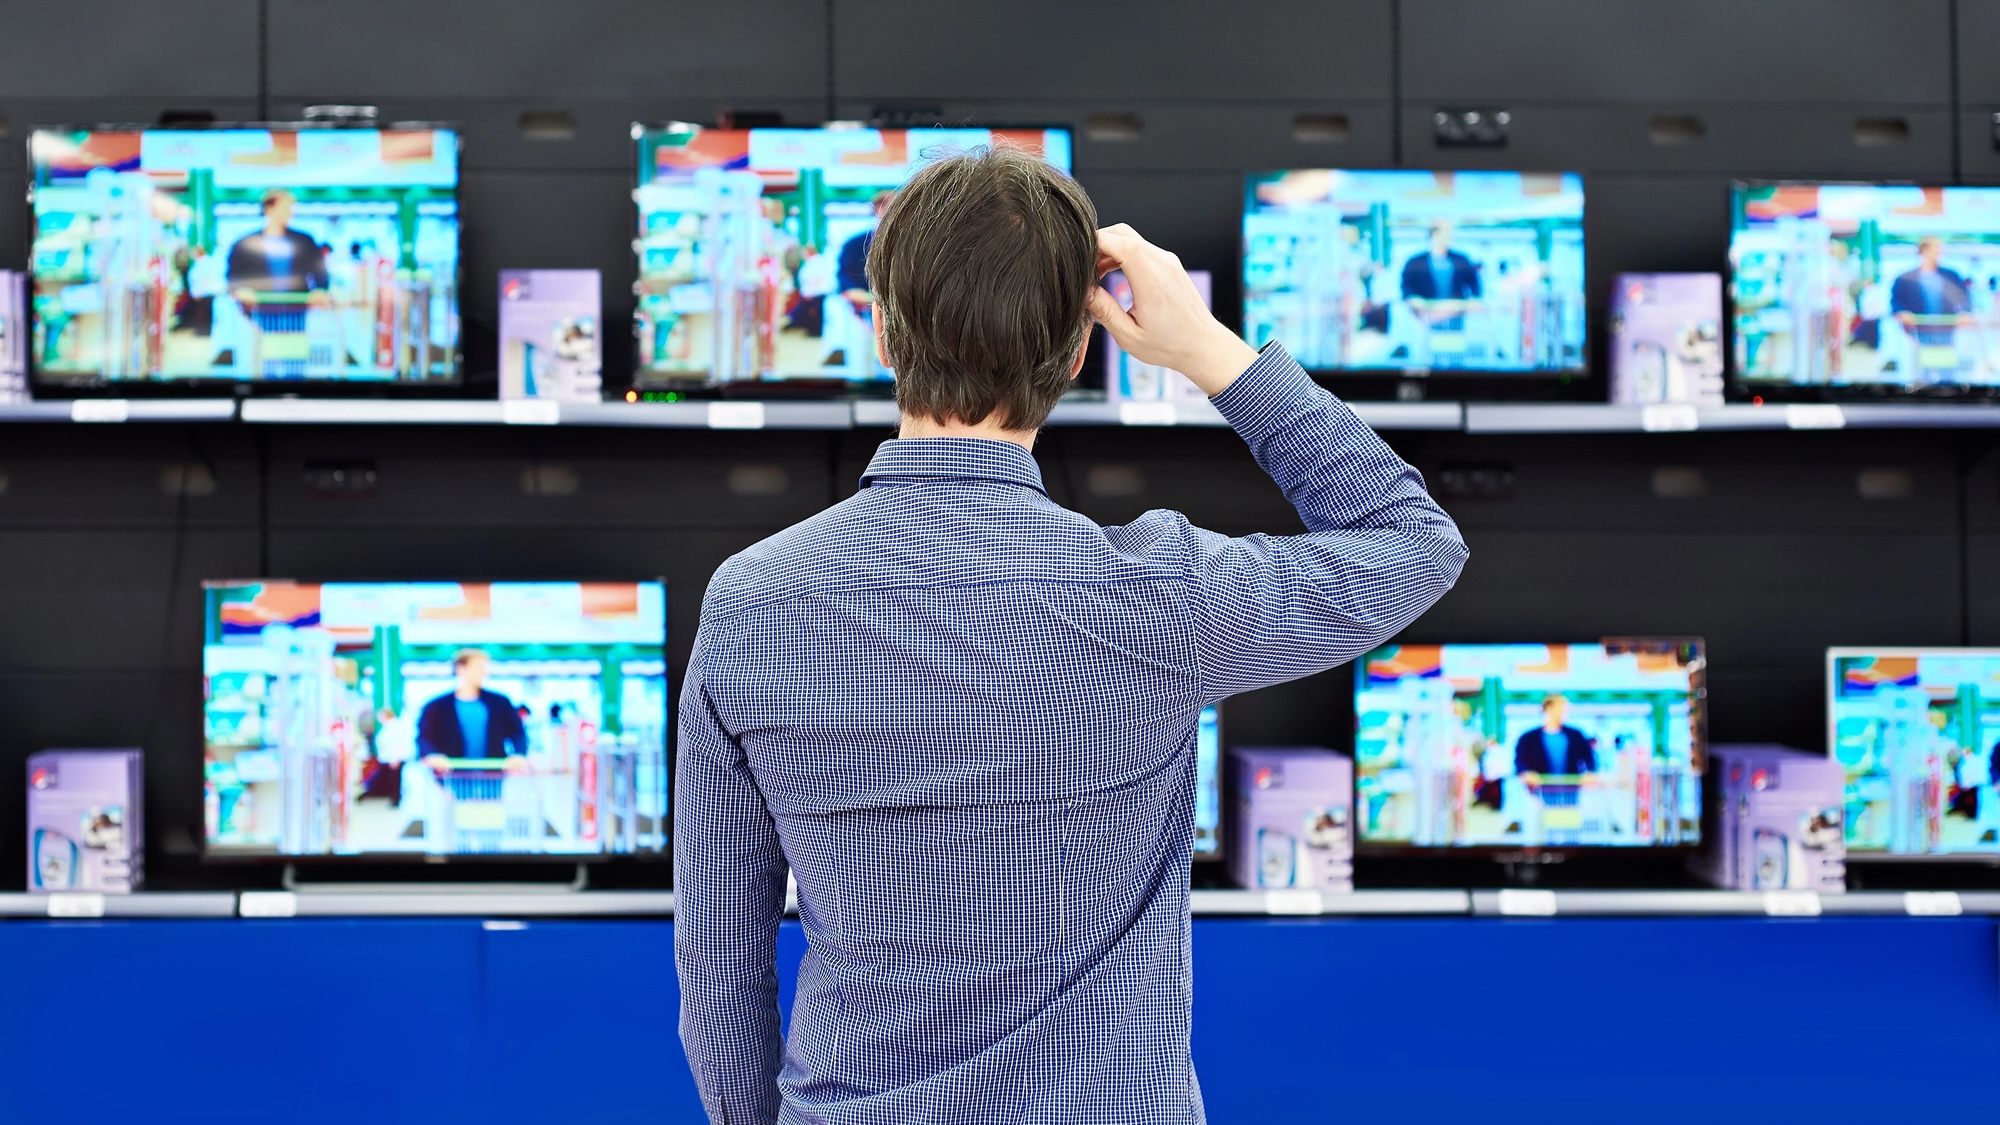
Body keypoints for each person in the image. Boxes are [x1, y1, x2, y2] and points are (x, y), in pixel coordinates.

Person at [674, 146, 1466, 1123]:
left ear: (881, 332)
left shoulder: (753, 600)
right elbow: (1412, 541)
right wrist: (1206, 351)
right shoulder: (1163, 595)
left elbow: (720, 970)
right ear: (1082, 348)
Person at [417, 649, 528, 776]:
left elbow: (518, 733)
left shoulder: (500, 702)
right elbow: (423, 737)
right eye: (479, 668)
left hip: (492, 777)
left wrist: (518, 755)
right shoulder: (437, 706)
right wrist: (433, 755)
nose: (485, 673)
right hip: (451, 777)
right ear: (461, 669)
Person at [225, 189, 330, 304]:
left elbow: (320, 272)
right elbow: (233, 277)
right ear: (269, 209)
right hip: (260, 310)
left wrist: (319, 292)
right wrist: (241, 292)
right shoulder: (244, 244)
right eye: (284, 208)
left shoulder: (305, 241)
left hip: (296, 309)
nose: (290, 213)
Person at [1889, 235, 1973, 356]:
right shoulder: (1905, 279)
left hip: (1945, 332)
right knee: (1919, 368)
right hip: (1917, 332)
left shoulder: (1951, 276)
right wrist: (1902, 313)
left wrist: (1965, 313)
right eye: (1936, 247)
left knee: (1945, 366)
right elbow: (1896, 302)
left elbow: (1964, 297)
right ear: (1924, 250)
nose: (1940, 251)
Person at [1399, 219, 1483, 315]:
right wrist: (1413, 299)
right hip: (1425, 315)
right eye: (1446, 232)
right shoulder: (1415, 262)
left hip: (1455, 315)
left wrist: (1474, 300)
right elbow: (1406, 287)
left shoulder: (1461, 260)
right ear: (1434, 234)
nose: (1450, 236)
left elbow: (1474, 284)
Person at [1514, 694, 1597, 780]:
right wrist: (1526, 773)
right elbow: (1519, 761)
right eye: (1560, 709)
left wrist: (1590, 773)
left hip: (1570, 789)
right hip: (1538, 790)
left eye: (1565, 710)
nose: (1563, 713)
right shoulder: (1528, 737)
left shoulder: (1576, 735)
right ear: (1548, 709)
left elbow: (1589, 757)